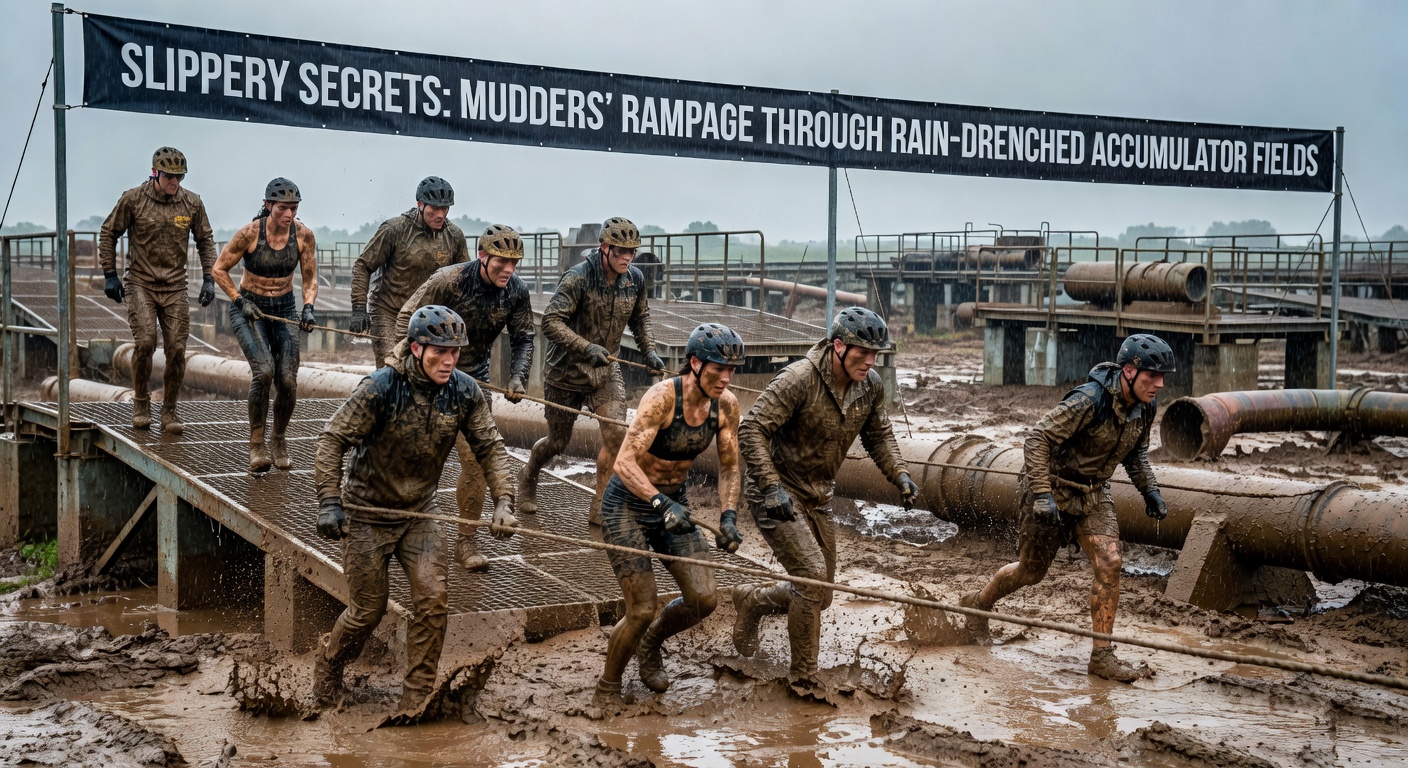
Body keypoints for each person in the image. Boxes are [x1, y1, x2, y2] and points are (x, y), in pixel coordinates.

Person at [312, 305, 519, 713]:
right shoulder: (380, 387)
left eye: (455, 352)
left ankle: (417, 694)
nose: (449, 361)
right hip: (366, 512)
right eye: (440, 352)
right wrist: (329, 502)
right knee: (367, 611)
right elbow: (331, 439)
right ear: (416, 348)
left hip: (420, 513)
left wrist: (504, 501)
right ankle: (328, 669)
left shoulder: (464, 391)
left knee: (433, 597)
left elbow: (491, 447)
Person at [960, 333, 1173, 683]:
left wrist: (1151, 491)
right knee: (1030, 572)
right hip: (1050, 489)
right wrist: (1042, 494)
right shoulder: (1088, 400)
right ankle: (978, 603)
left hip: (1093, 495)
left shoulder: (1144, 407)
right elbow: (1037, 438)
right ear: (1130, 372)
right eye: (1153, 376)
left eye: (1164, 377)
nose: (1160, 384)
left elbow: (1136, 455)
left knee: (1110, 561)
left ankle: (1101, 656)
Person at [733, 307, 919, 691]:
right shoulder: (799, 379)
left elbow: (879, 436)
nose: (870, 362)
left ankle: (752, 601)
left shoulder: (870, 386)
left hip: (817, 495)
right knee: (812, 578)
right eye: (862, 353)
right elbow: (751, 429)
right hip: (774, 490)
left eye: (875, 355)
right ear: (837, 346)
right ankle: (802, 677)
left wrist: (899, 474)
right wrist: (770, 487)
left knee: (823, 594)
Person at [595, 323, 746, 702]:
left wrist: (728, 515)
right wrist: (659, 503)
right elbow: (624, 463)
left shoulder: (725, 405)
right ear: (694, 363)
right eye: (717, 369)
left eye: (731, 371)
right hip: (628, 504)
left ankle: (651, 645)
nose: (725, 379)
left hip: (674, 505)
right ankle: (607, 689)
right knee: (642, 608)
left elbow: (729, 467)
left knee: (704, 598)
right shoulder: (662, 399)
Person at [394, 224, 535, 571]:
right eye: (502, 261)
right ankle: (394, 525)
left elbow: (524, 338)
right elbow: (404, 320)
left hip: (473, 380)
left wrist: (518, 376)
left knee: (475, 462)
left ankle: (466, 541)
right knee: (410, 452)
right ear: (482, 256)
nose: (509, 270)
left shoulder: (516, 292)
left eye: (515, 263)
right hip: (426, 376)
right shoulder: (449, 280)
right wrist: (405, 371)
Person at [519, 217, 665, 524]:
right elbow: (551, 322)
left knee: (616, 435)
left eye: (632, 252)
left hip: (606, 371)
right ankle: (529, 473)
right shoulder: (578, 278)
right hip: (566, 371)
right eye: (621, 251)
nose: (627, 257)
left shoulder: (635, 280)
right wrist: (586, 347)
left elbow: (641, 320)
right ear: (604, 247)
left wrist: (649, 352)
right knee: (557, 442)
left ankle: (601, 505)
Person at [98, 146, 218, 432]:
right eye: (169, 177)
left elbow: (205, 240)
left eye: (180, 177)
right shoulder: (133, 199)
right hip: (141, 282)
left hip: (175, 285)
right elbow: (108, 232)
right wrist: (109, 274)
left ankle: (170, 411)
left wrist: (209, 278)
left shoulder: (192, 203)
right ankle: (141, 402)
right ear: (155, 173)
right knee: (146, 342)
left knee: (177, 348)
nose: (174, 183)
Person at [211, 179, 318, 473]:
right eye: (282, 208)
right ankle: (256, 445)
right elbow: (219, 270)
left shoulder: (304, 236)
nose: (288, 215)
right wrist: (237, 300)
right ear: (269, 205)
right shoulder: (249, 234)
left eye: (293, 208)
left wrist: (308, 308)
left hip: (284, 308)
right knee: (264, 370)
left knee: (287, 379)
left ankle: (279, 438)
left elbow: (310, 278)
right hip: (249, 308)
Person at [349, 176, 469, 367]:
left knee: (426, 370)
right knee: (392, 368)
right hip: (389, 311)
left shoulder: (454, 236)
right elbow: (363, 266)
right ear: (420, 205)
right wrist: (358, 308)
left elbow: (465, 280)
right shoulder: (395, 229)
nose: (440, 214)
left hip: (429, 316)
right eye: (435, 209)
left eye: (445, 208)